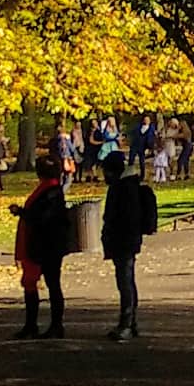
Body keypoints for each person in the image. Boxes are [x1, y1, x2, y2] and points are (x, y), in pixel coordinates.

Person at [9, 156, 70, 339]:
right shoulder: (50, 189)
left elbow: (43, 217)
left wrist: (22, 213)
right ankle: (33, 324)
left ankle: (53, 325)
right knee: (37, 283)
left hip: (46, 244)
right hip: (45, 244)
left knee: (49, 284)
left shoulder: (51, 191)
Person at [101, 151, 144, 341]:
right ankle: (130, 322)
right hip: (126, 240)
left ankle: (127, 323)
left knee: (125, 281)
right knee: (127, 280)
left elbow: (121, 216)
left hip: (124, 240)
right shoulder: (127, 185)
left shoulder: (123, 188)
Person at [54, 123, 77, 193]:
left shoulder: (56, 139)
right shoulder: (66, 139)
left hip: (59, 159)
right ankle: (62, 191)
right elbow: (72, 149)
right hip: (67, 159)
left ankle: (59, 190)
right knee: (69, 178)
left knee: (61, 176)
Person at [81, 117, 103, 183]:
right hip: (90, 149)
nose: (94, 124)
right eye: (93, 123)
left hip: (97, 149)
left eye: (95, 123)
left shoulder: (99, 131)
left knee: (95, 163)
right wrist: (101, 142)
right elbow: (91, 141)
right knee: (90, 163)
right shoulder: (90, 132)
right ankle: (90, 176)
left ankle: (94, 176)